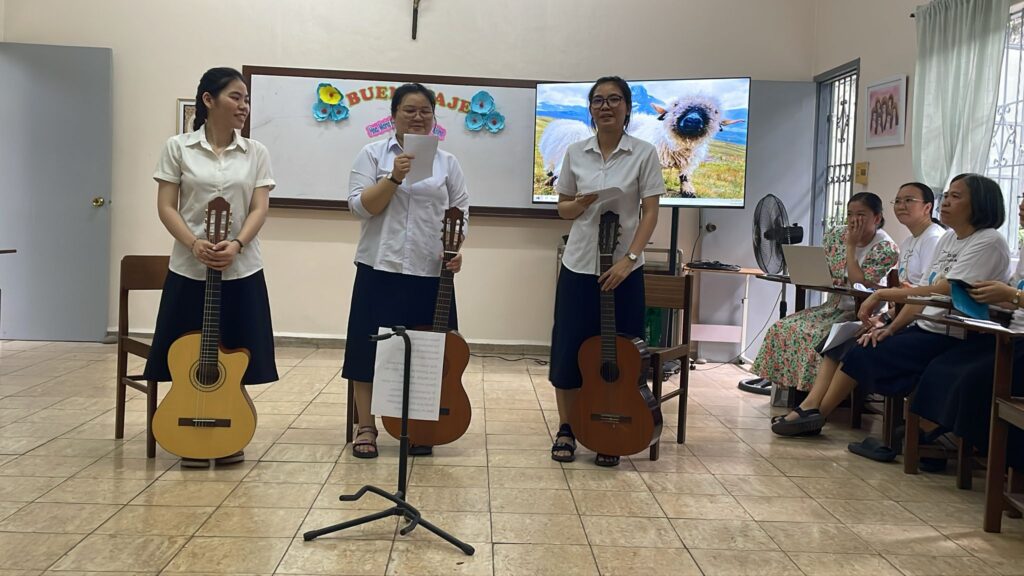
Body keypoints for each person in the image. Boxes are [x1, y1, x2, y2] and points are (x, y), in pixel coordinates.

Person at [772, 173, 1010, 437]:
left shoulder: (986, 240)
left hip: (953, 333)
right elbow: (920, 295)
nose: (946, 202)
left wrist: (885, 300)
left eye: (955, 196)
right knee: (849, 341)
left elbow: (946, 289)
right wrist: (890, 326)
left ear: (980, 203)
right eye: (946, 195)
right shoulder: (948, 239)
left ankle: (817, 415)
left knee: (861, 349)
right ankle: (811, 409)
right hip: (924, 324)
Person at [145, 67, 278, 466]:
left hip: (241, 269)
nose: (244, 106)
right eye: (236, 97)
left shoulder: (256, 152)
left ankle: (229, 428)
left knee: (238, 351)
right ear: (208, 100)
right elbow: (167, 206)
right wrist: (193, 243)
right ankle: (189, 428)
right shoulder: (178, 148)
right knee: (185, 353)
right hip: (189, 269)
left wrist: (237, 244)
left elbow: (259, 208)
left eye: (246, 99)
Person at [343, 83, 469, 459]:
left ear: (434, 117)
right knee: (368, 349)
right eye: (409, 110)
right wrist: (393, 178)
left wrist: (455, 251)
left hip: (430, 272)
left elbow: (460, 213)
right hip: (380, 267)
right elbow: (359, 207)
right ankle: (366, 426)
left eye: (425, 111)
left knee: (429, 355)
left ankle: (419, 424)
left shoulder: (448, 163)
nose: (417, 117)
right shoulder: (372, 154)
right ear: (393, 116)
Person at [548, 76, 664, 467]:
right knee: (568, 350)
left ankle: (611, 427)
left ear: (628, 107)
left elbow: (651, 212)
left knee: (622, 356)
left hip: (624, 271)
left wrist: (629, 259)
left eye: (614, 99)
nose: (606, 106)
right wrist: (579, 203)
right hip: (579, 264)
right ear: (590, 108)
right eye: (598, 100)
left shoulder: (644, 153)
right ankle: (567, 428)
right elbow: (562, 208)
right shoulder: (575, 152)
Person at [910, 195, 1024, 471]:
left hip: (1020, 342)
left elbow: (1016, 295)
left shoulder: (991, 240)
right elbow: (1012, 296)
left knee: (974, 377)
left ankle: (953, 439)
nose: (1021, 206)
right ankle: (933, 433)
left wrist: (1013, 296)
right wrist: (986, 294)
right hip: (1011, 333)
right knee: (945, 365)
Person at [751, 192, 899, 393]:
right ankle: (793, 391)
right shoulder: (836, 235)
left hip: (862, 312)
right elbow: (827, 269)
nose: (854, 220)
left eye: (861, 214)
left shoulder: (886, 248)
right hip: (832, 306)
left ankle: (815, 393)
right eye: (850, 214)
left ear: (877, 218)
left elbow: (858, 283)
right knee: (782, 328)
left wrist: (851, 246)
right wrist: (824, 275)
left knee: (817, 336)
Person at [892, 182, 945, 287]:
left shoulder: (933, 238)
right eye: (897, 201)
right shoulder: (908, 241)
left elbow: (931, 286)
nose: (901, 206)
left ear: (927, 207)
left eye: (908, 200)